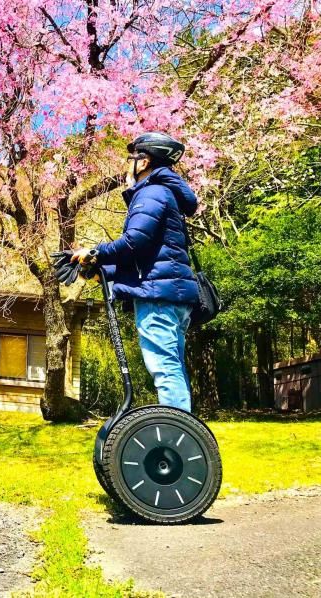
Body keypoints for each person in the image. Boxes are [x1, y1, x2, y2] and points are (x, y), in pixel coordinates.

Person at [72, 132, 199, 412]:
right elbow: (147, 255)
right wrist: (100, 271)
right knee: (172, 368)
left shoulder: (151, 192)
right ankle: (182, 431)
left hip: (157, 298)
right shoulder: (167, 195)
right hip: (169, 294)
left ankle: (178, 437)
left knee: (165, 369)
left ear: (143, 162)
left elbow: (134, 242)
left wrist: (95, 251)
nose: (127, 166)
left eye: (131, 158)